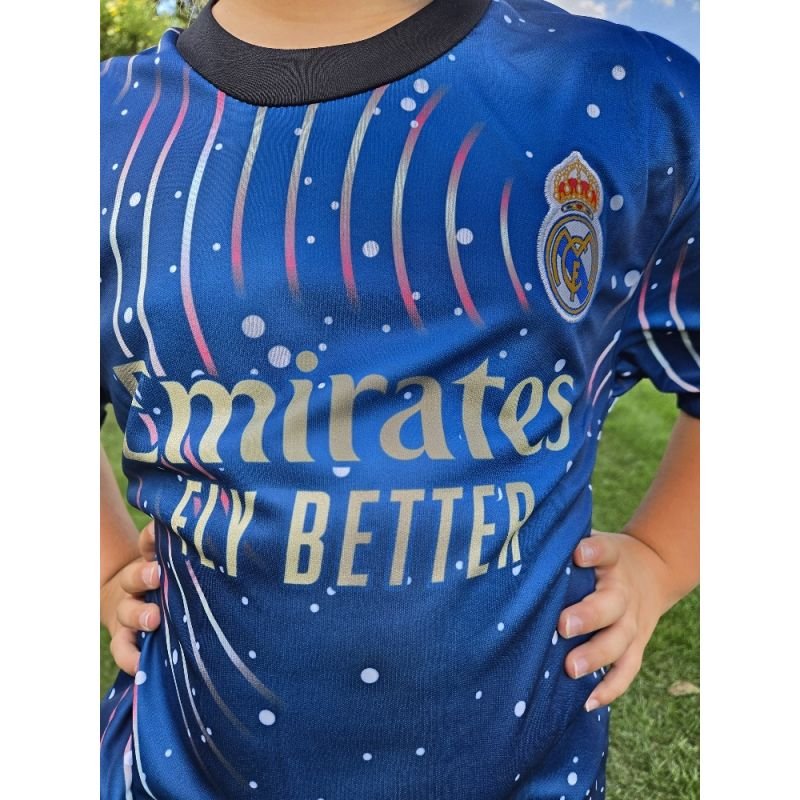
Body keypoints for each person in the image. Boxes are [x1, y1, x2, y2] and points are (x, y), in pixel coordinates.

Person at [99, 1, 699, 797]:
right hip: (174, 769)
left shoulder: (627, 101)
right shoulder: (98, 135)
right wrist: (107, 564)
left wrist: (662, 559)